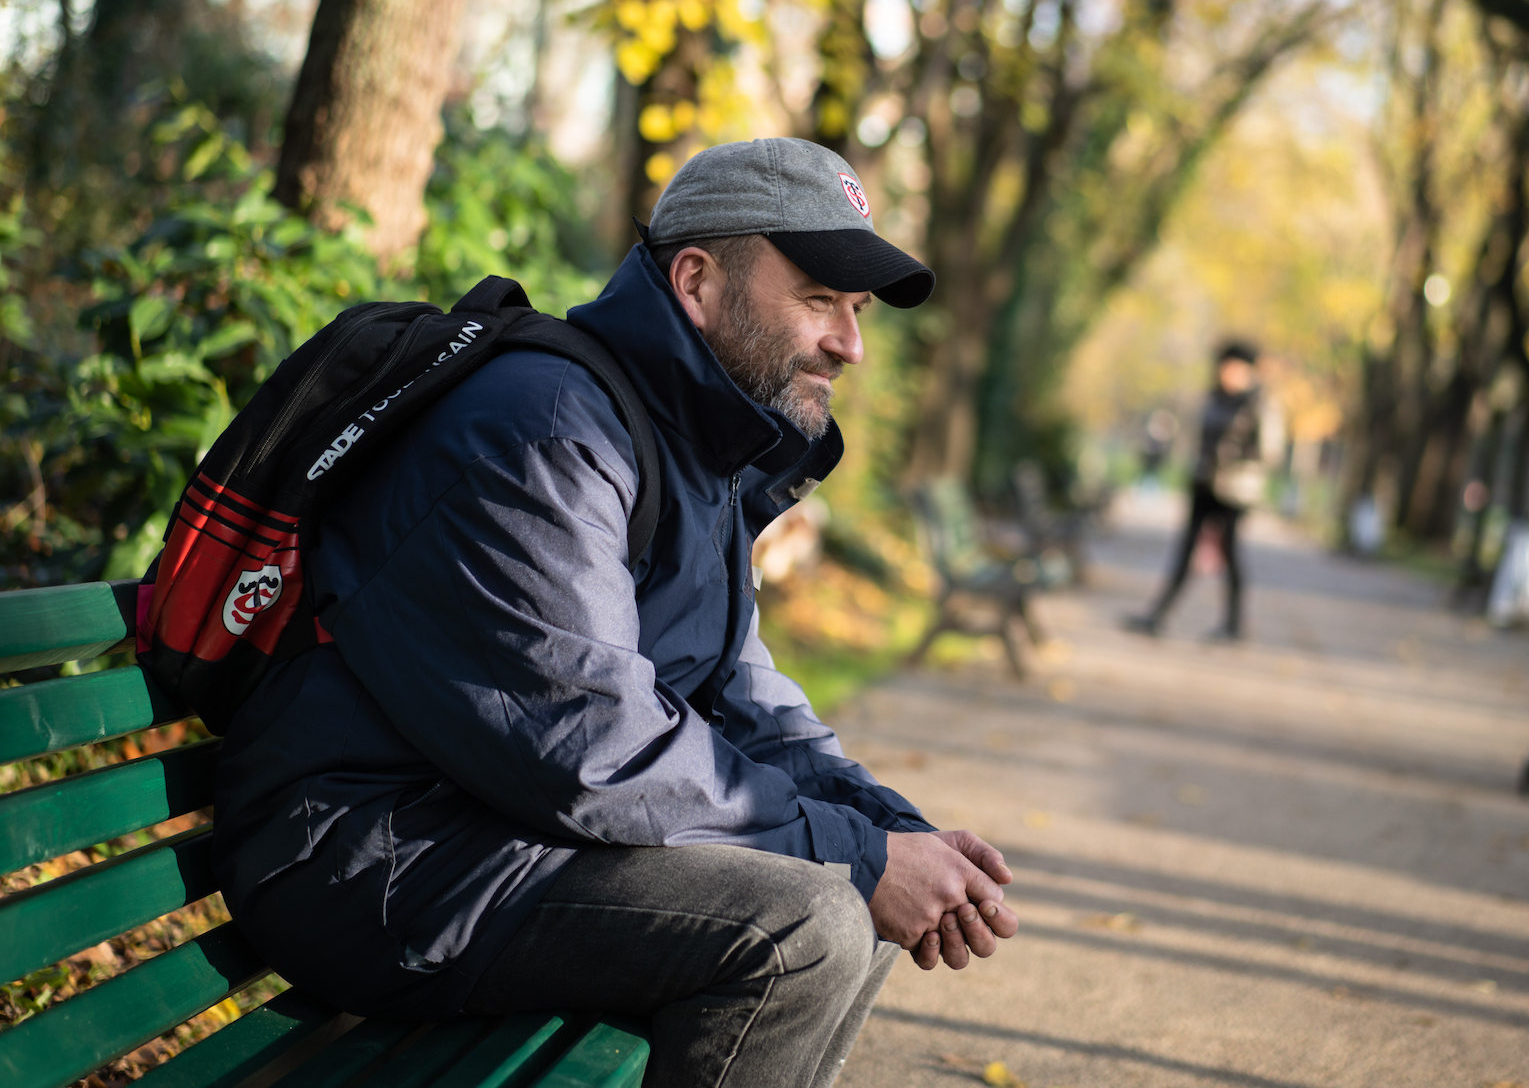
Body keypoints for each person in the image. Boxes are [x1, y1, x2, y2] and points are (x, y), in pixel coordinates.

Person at [211, 138, 1019, 1088]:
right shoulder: (549, 426)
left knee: (854, 881)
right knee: (807, 924)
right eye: (818, 300)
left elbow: (743, 694)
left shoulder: (695, 446)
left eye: (856, 309)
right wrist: (861, 855)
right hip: (367, 860)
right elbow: (591, 744)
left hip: (488, 828)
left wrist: (888, 829)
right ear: (696, 281)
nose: (850, 342)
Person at [1125, 342, 1267, 641]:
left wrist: (1233, 456)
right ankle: (1157, 615)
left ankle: (1233, 625)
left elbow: (1269, 450)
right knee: (1185, 551)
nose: (1228, 373)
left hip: (1235, 491)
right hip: (1203, 485)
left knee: (1230, 557)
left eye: (1235, 367)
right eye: (1225, 366)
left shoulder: (1258, 404)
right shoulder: (1213, 398)